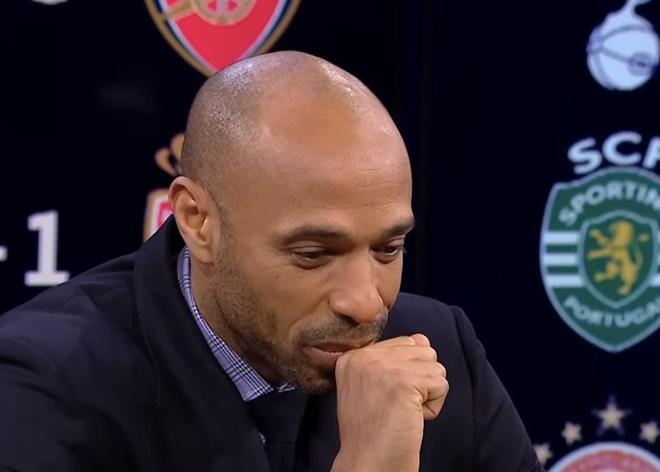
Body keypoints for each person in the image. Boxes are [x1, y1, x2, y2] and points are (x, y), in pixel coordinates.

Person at [0, 51, 543, 472]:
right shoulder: (40, 383)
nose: (365, 303)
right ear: (197, 221)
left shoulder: (438, 351)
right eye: (313, 254)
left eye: (388, 249)